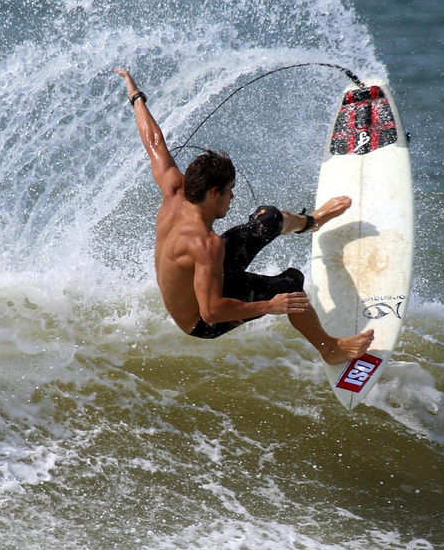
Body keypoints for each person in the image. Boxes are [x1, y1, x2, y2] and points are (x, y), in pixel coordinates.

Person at [114, 68, 374, 364]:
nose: (232, 198)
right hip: (201, 319)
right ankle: (330, 349)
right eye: (229, 190)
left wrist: (136, 97)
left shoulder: (175, 189)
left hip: (208, 278)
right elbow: (212, 311)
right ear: (214, 193)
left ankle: (312, 222)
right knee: (291, 284)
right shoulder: (204, 244)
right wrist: (270, 305)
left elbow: (154, 143)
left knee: (271, 218)